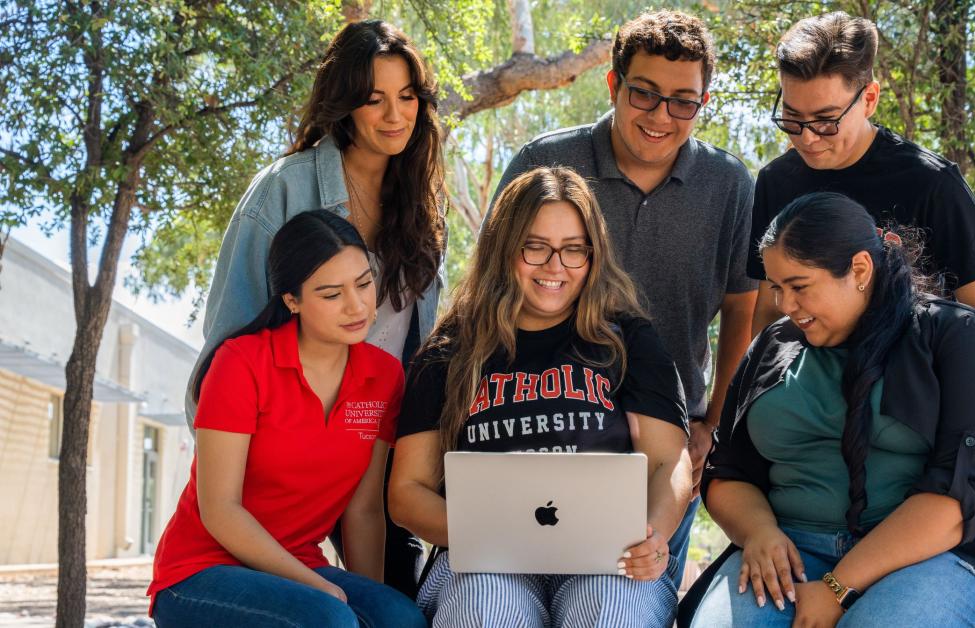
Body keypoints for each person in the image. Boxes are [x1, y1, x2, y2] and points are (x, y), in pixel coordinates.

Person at [686, 193, 975, 627]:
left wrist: (837, 587)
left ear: (860, 270)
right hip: (787, 549)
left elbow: (959, 497)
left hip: (929, 556)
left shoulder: (961, 337)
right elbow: (728, 471)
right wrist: (759, 533)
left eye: (799, 287)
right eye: (776, 288)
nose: (785, 305)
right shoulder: (772, 345)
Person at [490, 10, 756, 585]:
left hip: (668, 445)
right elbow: (492, 284)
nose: (661, 116)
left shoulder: (729, 184)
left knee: (634, 599)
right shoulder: (543, 163)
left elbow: (743, 307)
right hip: (544, 429)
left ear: (703, 102)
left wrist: (713, 422)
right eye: (645, 93)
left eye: (683, 101)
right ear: (613, 84)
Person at [187, 19, 445, 594]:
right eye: (374, 99)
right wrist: (226, 466)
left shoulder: (423, 207)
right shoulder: (283, 189)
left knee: (395, 599)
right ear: (344, 103)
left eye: (407, 97)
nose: (395, 115)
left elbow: (419, 338)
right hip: (284, 443)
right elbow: (229, 339)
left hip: (374, 435)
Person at [389, 167, 692, 627]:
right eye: (535, 246)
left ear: (593, 256)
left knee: (611, 612)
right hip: (484, 561)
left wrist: (654, 535)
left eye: (574, 249)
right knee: (485, 611)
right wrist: (488, 534)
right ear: (504, 248)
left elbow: (668, 461)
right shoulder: (450, 352)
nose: (555, 266)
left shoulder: (628, 340)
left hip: (607, 558)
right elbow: (407, 491)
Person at [148, 211, 426, 627]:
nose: (356, 306)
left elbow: (363, 510)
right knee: (329, 619)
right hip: (200, 571)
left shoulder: (384, 376)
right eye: (331, 295)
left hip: (299, 563)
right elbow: (220, 510)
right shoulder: (241, 363)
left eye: (364, 283)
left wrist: (369, 604)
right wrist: (321, 589)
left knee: (400, 618)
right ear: (292, 301)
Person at [748, 12, 975, 338]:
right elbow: (770, 312)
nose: (807, 138)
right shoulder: (776, 182)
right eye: (792, 118)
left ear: (869, 99)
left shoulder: (932, 183)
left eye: (826, 121)